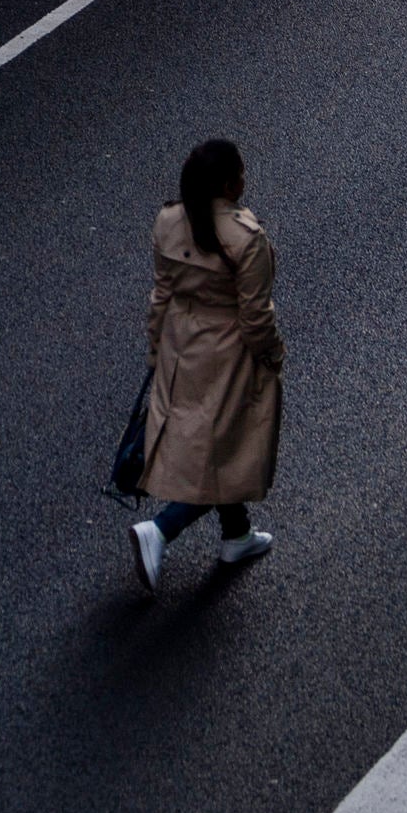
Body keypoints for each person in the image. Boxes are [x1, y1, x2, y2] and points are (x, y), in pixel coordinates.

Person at [129, 138, 283, 590]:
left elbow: (161, 292)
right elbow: (255, 317)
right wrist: (272, 356)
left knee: (214, 445)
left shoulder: (169, 221)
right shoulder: (244, 238)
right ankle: (160, 530)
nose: (244, 180)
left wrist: (157, 350)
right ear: (226, 184)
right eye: (240, 173)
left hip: (182, 348)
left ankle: (236, 534)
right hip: (228, 355)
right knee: (228, 445)